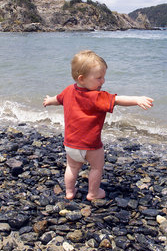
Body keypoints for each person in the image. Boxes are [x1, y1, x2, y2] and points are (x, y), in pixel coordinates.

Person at [43, 50, 153, 201]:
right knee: (96, 167)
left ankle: (69, 191)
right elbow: (118, 100)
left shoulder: (68, 90)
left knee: (72, 167)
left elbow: (58, 99)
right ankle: (93, 193)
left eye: (103, 77)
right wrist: (137, 100)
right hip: (91, 145)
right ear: (81, 79)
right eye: (99, 78)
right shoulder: (97, 96)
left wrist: (49, 100)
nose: (103, 81)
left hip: (70, 144)